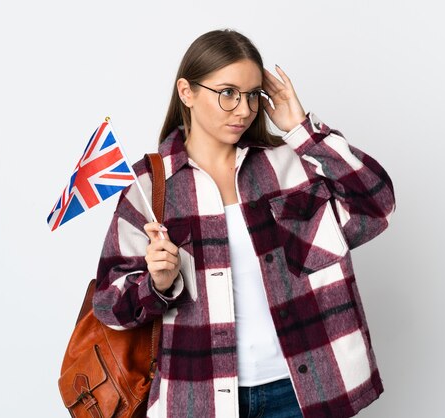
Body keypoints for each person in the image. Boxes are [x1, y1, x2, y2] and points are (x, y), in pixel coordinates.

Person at [93, 29, 396, 418]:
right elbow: (109, 305)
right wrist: (158, 285)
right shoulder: (151, 188)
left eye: (253, 94)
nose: (244, 109)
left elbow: (376, 205)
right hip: (200, 400)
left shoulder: (289, 164)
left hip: (305, 391)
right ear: (187, 92)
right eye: (228, 93)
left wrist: (301, 129)